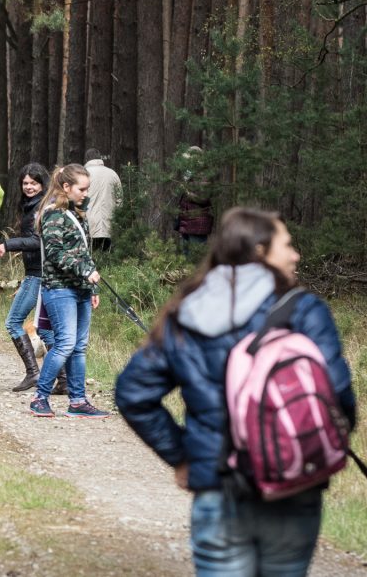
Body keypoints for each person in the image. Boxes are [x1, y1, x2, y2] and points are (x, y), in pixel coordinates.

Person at [116, 208, 356, 576]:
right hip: (293, 488)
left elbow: (133, 392)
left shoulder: (188, 310)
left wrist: (182, 457)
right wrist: (308, 449)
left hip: (217, 486)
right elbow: (339, 399)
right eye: (287, 245)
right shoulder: (303, 310)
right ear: (260, 251)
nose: (296, 255)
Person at [29, 163, 108, 418]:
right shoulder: (54, 214)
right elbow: (54, 253)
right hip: (60, 289)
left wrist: (91, 284)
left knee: (79, 346)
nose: (86, 194)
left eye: (87, 189)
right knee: (65, 344)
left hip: (81, 289)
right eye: (81, 189)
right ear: (66, 187)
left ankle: (78, 401)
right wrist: (84, 271)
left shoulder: (77, 214)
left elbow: (84, 253)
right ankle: (40, 397)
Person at [0, 163, 58, 392]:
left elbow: (38, 242)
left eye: (34, 183)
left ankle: (33, 373)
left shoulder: (41, 208)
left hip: (38, 275)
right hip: (40, 274)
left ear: (42, 184)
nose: (29, 187)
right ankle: (65, 379)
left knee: (13, 323)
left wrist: (7, 244)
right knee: (45, 328)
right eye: (25, 183)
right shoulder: (35, 206)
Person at [176, 146, 213, 256]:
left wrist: (187, 192)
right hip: (187, 220)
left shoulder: (204, 175)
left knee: (197, 257)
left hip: (198, 222)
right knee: (186, 256)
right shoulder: (190, 174)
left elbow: (203, 198)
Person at [83, 148, 122, 252]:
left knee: (90, 255)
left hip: (88, 223)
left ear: (86, 159)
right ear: (100, 158)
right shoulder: (112, 174)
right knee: (107, 255)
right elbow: (119, 199)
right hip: (109, 223)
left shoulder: (83, 174)